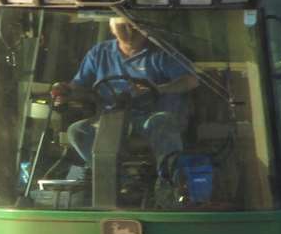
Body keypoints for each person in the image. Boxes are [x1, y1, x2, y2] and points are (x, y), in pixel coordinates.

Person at [50, 16, 200, 174]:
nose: (129, 31)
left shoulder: (162, 53)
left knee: (161, 122)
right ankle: (109, 176)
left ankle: (168, 180)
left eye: (134, 26)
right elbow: (78, 85)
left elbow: (191, 80)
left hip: (152, 117)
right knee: (78, 131)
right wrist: (66, 91)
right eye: (123, 26)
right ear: (112, 28)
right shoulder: (100, 53)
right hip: (111, 120)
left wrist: (159, 89)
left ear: (145, 28)